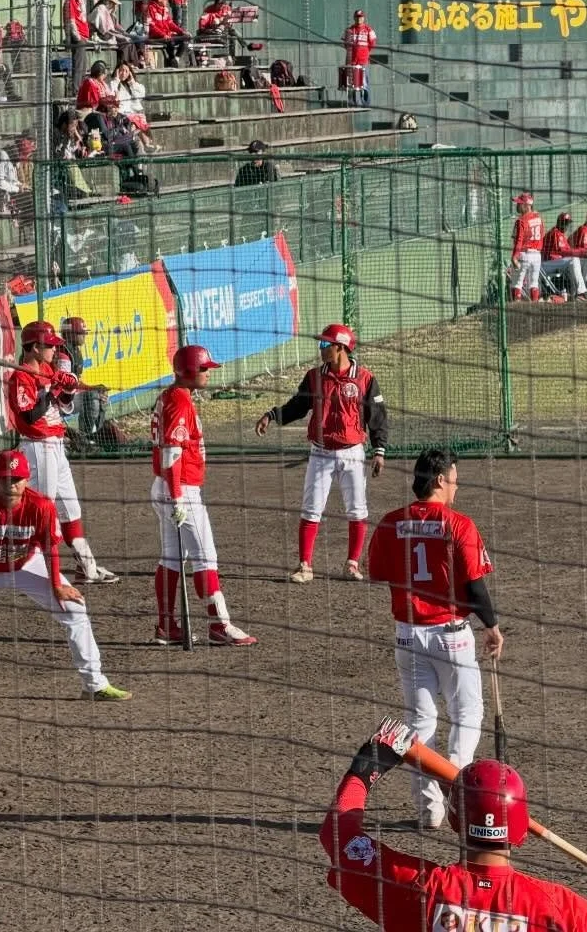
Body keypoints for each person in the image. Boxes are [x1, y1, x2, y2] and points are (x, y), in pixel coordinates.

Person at [320, 719, 587, 931]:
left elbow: (339, 835)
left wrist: (366, 767)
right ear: (520, 828)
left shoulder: (416, 887)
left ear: (455, 820)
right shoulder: (557, 907)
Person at [367, 449, 503, 827]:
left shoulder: (391, 522)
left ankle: (429, 809)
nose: (457, 485)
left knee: (419, 723)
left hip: (407, 637)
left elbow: (378, 571)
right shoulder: (459, 524)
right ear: (440, 479)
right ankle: (455, 784)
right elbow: (474, 586)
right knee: (467, 713)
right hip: (451, 637)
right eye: (454, 478)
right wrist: (492, 626)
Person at [0, 451, 131, 700]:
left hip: (26, 564)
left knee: (75, 608)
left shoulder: (41, 505)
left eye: (17, 479)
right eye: (5, 479)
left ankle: (94, 685)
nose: (11, 485)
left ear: (27, 479)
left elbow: (49, 548)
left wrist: (56, 585)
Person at [254, 324, 388, 584]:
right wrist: (271, 415)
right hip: (321, 452)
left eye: (325, 344)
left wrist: (379, 450)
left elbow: (378, 417)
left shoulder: (365, 378)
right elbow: (298, 406)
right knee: (311, 508)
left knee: (357, 509)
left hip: (353, 453)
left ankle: (352, 564)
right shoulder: (314, 377)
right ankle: (305, 566)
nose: (321, 348)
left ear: (340, 348)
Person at [151, 345, 256, 646]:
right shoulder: (179, 401)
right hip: (179, 488)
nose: (208, 373)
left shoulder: (171, 395)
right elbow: (172, 453)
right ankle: (220, 625)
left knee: (172, 558)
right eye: (204, 368)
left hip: (168, 486)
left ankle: (166, 625)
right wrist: (177, 497)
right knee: (204, 557)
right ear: (189, 371)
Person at [5, 321, 116, 585]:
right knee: (42, 511)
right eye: (50, 346)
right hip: (37, 447)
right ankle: (35, 568)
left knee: (70, 508)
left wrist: (67, 389)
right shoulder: (20, 378)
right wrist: (53, 388)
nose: (55, 350)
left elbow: (64, 405)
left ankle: (86, 568)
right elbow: (30, 416)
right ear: (34, 347)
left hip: (56, 445)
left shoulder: (46, 369)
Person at [56, 317, 109, 443]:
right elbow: (64, 385)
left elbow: (76, 382)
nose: (85, 335)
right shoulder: (63, 353)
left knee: (99, 394)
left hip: (68, 397)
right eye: (81, 333)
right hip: (58, 400)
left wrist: (93, 388)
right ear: (71, 334)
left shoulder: (74, 351)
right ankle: (86, 439)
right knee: (92, 396)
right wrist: (90, 391)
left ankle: (95, 438)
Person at [541, 211, 587, 300]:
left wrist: (580, 253)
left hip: (555, 263)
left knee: (575, 262)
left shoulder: (561, 234)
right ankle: (581, 292)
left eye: (568, 223)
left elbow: (567, 251)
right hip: (546, 264)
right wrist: (581, 252)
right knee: (573, 260)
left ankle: (576, 294)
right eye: (565, 223)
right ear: (559, 222)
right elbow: (563, 252)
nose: (566, 226)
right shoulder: (555, 233)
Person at [508, 192, 543, 302]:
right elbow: (542, 235)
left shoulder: (521, 220)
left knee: (516, 284)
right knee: (534, 283)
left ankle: (516, 308)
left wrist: (514, 256)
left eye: (519, 203)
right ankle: (535, 307)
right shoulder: (539, 218)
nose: (517, 205)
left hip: (524, 254)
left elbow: (518, 240)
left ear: (526, 205)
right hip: (537, 255)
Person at [342, 10, 377, 106]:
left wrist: (364, 53)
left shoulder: (368, 30)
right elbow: (345, 44)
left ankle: (365, 103)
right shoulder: (349, 30)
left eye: (361, 17)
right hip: (351, 61)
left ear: (363, 18)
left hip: (363, 61)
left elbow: (372, 44)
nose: (359, 19)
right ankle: (352, 102)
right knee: (351, 82)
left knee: (364, 82)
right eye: (357, 17)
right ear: (354, 18)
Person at [146, 0, 190, 67]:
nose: (167, 1)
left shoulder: (165, 9)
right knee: (170, 42)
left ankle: (176, 59)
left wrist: (182, 32)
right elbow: (152, 27)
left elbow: (170, 24)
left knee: (185, 39)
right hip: (156, 37)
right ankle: (171, 59)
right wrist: (163, 35)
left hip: (167, 35)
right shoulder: (150, 8)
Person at [64, 0, 93, 83]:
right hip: (77, 37)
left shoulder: (79, 1)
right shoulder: (71, 0)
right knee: (78, 66)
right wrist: (77, 37)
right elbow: (71, 20)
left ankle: (80, 87)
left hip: (83, 36)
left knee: (83, 66)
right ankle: (76, 88)